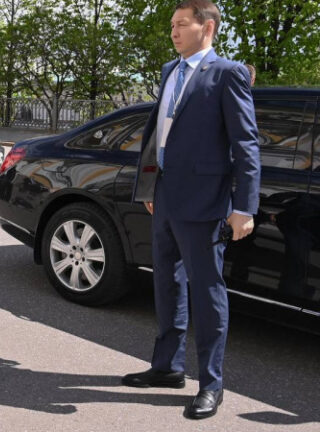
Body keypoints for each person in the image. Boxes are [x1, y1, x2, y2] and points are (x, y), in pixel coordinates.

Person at [127, 0, 260, 420]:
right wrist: (151, 184)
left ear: (209, 28)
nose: (173, 31)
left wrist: (244, 206)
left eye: (182, 24)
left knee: (206, 293)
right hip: (164, 197)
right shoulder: (170, 70)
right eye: (172, 25)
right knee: (165, 284)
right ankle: (167, 367)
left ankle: (211, 385)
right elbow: (160, 135)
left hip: (205, 204)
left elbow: (246, 145)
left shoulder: (227, 74)